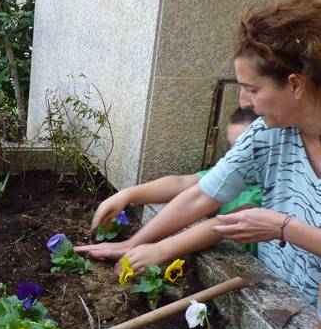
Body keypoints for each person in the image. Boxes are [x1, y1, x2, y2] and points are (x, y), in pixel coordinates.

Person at [77, 0, 321, 329]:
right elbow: (202, 194)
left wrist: (284, 227)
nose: (244, 102)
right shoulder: (269, 133)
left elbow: (280, 226)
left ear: (295, 84)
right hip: (272, 309)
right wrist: (134, 243)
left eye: (253, 89)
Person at [77, 107, 260, 269]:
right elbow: (182, 183)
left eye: (243, 148)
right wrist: (127, 194)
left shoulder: (264, 190)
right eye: (232, 148)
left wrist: (159, 249)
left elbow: (225, 223)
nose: (236, 155)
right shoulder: (236, 170)